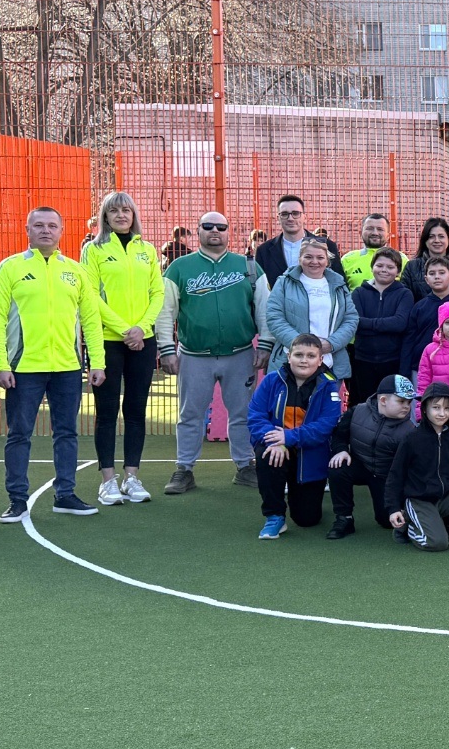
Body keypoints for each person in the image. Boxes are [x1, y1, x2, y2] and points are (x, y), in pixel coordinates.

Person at [0, 207, 105, 522]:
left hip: (67, 368)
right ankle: (17, 500)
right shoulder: (10, 268)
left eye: (52, 225)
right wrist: (1, 364)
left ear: (61, 231)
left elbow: (91, 320)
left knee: (66, 433)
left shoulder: (75, 271)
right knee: (19, 434)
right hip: (23, 369)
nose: (45, 230)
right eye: (38, 225)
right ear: (27, 230)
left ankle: (65, 495)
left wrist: (97, 361)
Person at [157, 212, 265, 494]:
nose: (215, 230)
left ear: (229, 232)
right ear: (198, 231)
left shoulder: (248, 266)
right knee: (190, 415)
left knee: (242, 413)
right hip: (194, 355)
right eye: (208, 226)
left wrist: (265, 344)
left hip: (240, 353)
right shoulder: (179, 267)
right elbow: (165, 311)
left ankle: (245, 466)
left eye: (221, 226)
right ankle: (184, 469)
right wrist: (166, 349)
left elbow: (264, 308)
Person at [82, 191, 165, 507]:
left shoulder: (147, 250)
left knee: (136, 409)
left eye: (126, 210)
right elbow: (91, 296)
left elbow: (158, 293)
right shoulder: (93, 250)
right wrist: (124, 329)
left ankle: (132, 477)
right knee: (106, 412)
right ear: (105, 216)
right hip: (108, 341)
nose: (120, 215)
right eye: (113, 210)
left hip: (143, 340)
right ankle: (108, 481)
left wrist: (141, 328)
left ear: (133, 215)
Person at [249, 332, 341, 539]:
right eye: (299, 355)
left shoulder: (329, 386)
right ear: (289, 356)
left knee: (307, 519)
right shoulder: (271, 380)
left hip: (309, 454)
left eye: (311, 356)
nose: (304, 360)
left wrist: (289, 437)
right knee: (266, 452)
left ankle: (301, 496)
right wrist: (275, 441)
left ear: (320, 360)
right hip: (277, 446)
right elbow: (255, 416)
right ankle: (274, 516)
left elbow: (326, 426)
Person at [386, 381, 449, 550]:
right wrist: (393, 508)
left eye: (447, 408)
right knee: (438, 543)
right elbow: (396, 475)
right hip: (419, 499)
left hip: (444, 497)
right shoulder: (412, 438)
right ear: (425, 409)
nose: (442, 413)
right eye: (436, 407)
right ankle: (409, 526)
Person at [325, 373, 417, 539]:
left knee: (386, 521)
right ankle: (344, 518)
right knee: (338, 466)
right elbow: (339, 434)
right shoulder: (357, 411)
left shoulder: (410, 430)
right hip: (360, 465)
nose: (407, 407)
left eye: (409, 402)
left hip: (386, 475)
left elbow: (408, 468)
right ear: (383, 400)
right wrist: (341, 450)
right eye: (401, 401)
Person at [264, 238, 360, 380]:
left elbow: (350, 319)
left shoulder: (338, 284)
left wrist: (331, 344)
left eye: (320, 257)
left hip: (330, 362)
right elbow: (274, 317)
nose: (314, 261)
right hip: (292, 361)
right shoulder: (284, 282)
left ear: (327, 261)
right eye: (308, 257)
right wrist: (302, 346)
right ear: (300, 259)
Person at [347, 246, 411, 401]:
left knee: (390, 403)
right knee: (362, 402)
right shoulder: (359, 293)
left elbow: (399, 323)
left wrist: (369, 325)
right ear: (372, 267)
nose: (384, 270)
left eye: (390, 267)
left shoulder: (404, 294)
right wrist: (386, 325)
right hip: (362, 359)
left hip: (392, 360)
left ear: (398, 271)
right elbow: (356, 323)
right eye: (380, 265)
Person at [257, 194, 341, 285]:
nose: (290, 218)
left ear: (304, 217)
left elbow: (339, 282)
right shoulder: (264, 251)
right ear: (278, 218)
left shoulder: (328, 246)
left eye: (295, 213)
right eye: (284, 214)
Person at [402, 255, 449, 377]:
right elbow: (409, 340)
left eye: (442, 273)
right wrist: (405, 370)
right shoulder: (419, 307)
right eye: (432, 273)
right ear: (426, 279)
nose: (437, 277)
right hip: (422, 367)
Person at [341, 213, 394, 290]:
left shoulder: (401, 259)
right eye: (370, 228)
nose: (375, 233)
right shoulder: (347, 259)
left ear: (388, 235)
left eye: (380, 229)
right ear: (360, 233)